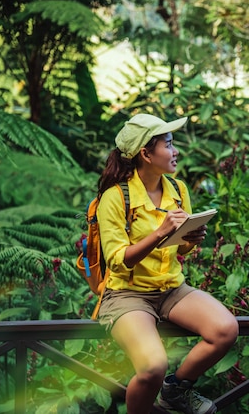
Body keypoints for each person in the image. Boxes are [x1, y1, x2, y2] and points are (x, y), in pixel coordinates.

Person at [95, 113, 239, 414]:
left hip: (172, 288)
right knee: (152, 367)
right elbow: (118, 261)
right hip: (126, 295)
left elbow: (180, 249)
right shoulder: (114, 197)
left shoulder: (177, 190)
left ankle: (176, 390)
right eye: (169, 145)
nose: (176, 152)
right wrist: (161, 232)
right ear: (146, 154)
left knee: (225, 329)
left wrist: (190, 237)